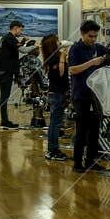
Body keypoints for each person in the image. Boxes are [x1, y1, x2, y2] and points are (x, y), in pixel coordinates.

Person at [68, 18, 110, 172]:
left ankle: (91, 161)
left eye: (95, 36)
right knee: (81, 130)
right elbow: (73, 70)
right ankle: (77, 163)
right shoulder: (75, 49)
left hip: (96, 95)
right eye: (90, 36)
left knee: (95, 130)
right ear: (83, 34)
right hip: (81, 94)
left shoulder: (98, 47)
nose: (93, 39)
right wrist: (92, 62)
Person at [0, 18, 29, 129]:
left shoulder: (8, 38)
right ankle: (4, 122)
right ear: (16, 28)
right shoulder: (9, 38)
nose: (21, 32)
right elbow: (22, 49)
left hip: (4, 71)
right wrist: (34, 46)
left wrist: (23, 41)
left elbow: (17, 47)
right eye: (20, 30)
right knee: (4, 96)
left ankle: (4, 120)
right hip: (5, 71)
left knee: (4, 96)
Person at [41, 32, 69, 161]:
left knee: (55, 122)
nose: (59, 43)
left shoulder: (52, 57)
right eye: (57, 41)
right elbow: (61, 74)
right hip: (57, 93)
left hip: (58, 92)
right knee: (55, 123)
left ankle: (53, 149)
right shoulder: (54, 58)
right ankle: (52, 150)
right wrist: (63, 56)